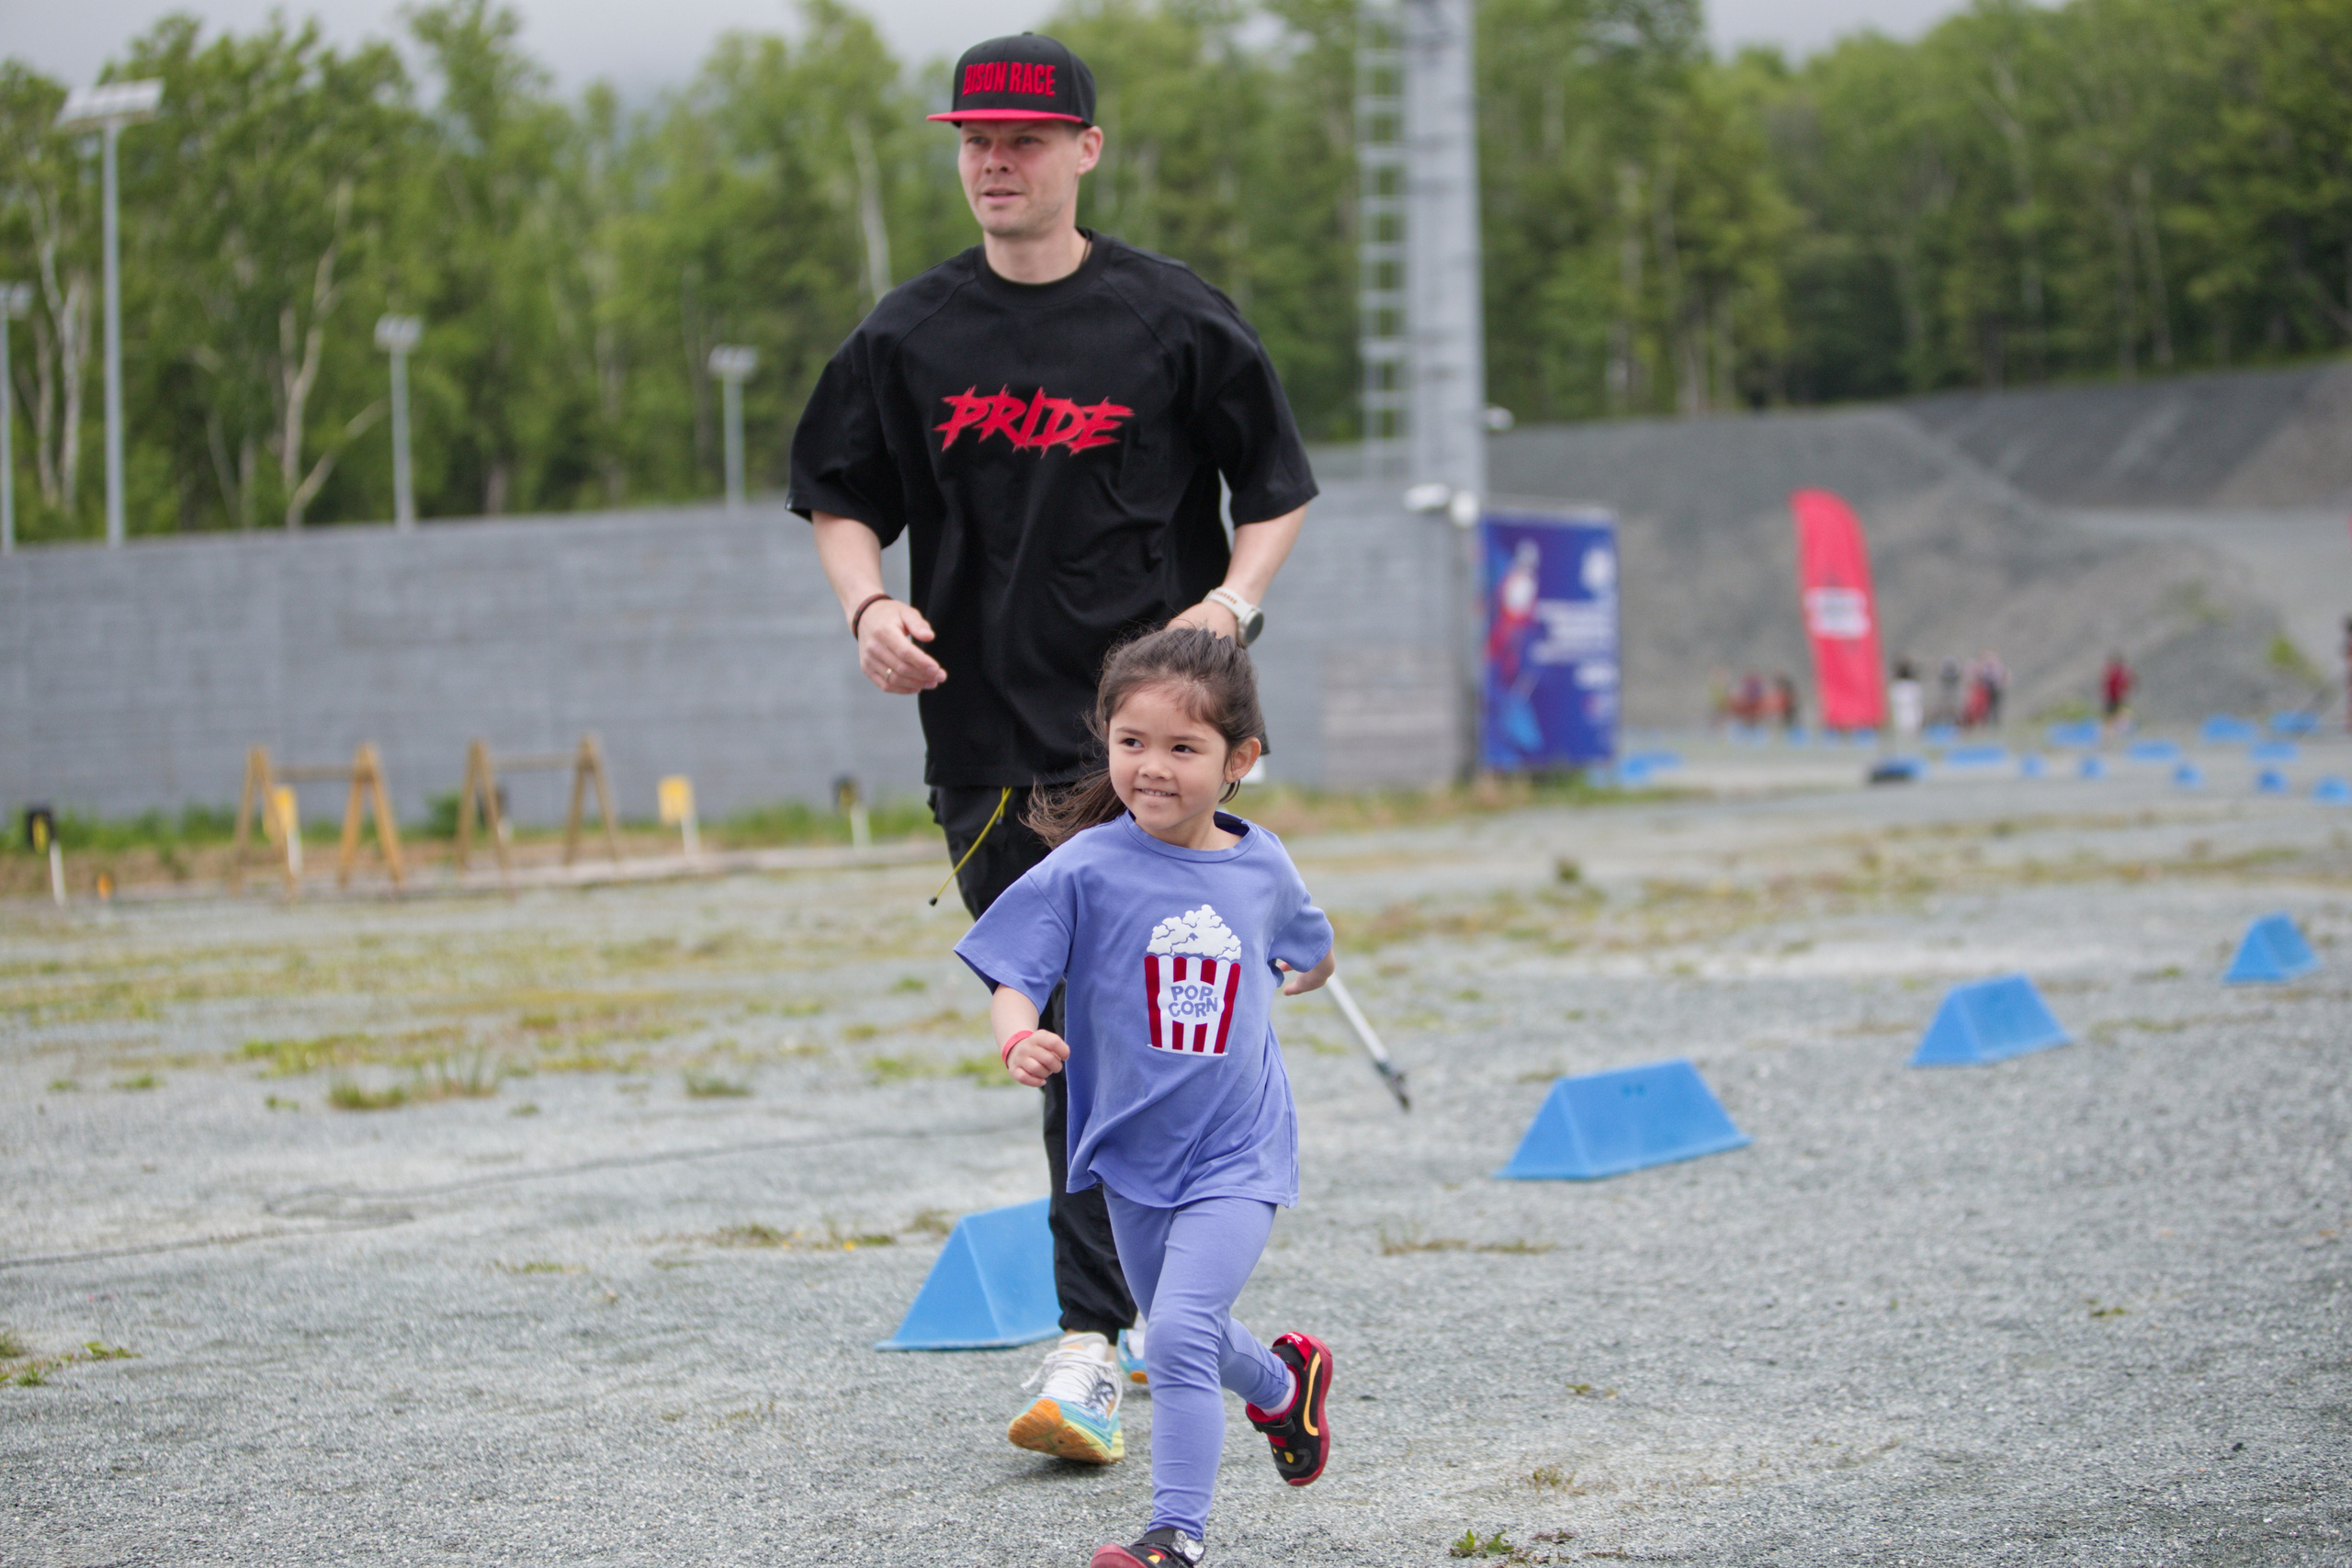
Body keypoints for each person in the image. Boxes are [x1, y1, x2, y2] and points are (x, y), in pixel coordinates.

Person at [787, 31, 1317, 1469]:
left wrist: (1230, 604)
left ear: (1085, 148)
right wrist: (868, 605)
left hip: (1146, 754)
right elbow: (838, 492)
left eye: (1023, 139)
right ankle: (1187, 1338)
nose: (994, 162)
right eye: (975, 139)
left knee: (1106, 1039)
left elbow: (1275, 488)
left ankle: (1098, 1339)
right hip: (981, 748)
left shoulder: (1171, 318)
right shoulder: (909, 334)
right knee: (1075, 1041)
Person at [956, 626, 1337, 1568]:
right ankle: (1283, 1389)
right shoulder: (1085, 867)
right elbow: (1012, 973)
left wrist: (1306, 971)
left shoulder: (1262, 865)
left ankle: (1175, 1535)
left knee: (1174, 1335)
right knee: (1179, 1329)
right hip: (1130, 1155)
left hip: (1237, 1151)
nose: (1152, 767)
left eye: (1182, 747)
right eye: (1132, 742)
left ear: (1239, 758)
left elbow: (1312, 942)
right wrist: (1018, 1036)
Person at [2102, 652, 2134, 732]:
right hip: (2113, 697)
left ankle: (2122, 729)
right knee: (2114, 714)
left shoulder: (2116, 673)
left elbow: (2123, 684)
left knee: (2115, 714)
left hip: (2115, 697)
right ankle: (2119, 729)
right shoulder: (2116, 673)